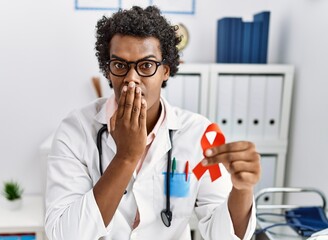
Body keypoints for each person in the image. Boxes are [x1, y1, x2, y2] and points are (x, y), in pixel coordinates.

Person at [45, 5, 260, 240]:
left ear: (165, 71)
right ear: (108, 70)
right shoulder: (75, 131)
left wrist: (242, 189)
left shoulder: (201, 134)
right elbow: (63, 235)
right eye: (119, 65)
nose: (131, 79)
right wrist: (126, 157)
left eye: (146, 65)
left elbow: (224, 237)